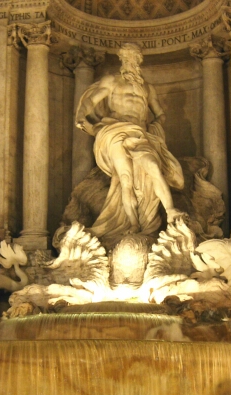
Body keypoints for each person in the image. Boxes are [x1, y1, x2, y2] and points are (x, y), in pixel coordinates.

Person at [75, 42, 185, 246]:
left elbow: (160, 114)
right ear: (122, 59)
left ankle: (170, 211)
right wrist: (81, 115)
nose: (131, 61)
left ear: (139, 61)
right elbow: (90, 102)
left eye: (135, 58)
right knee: (125, 179)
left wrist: (155, 127)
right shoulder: (111, 81)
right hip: (115, 130)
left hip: (140, 134)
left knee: (152, 166)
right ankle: (133, 224)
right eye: (127, 57)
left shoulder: (147, 88)